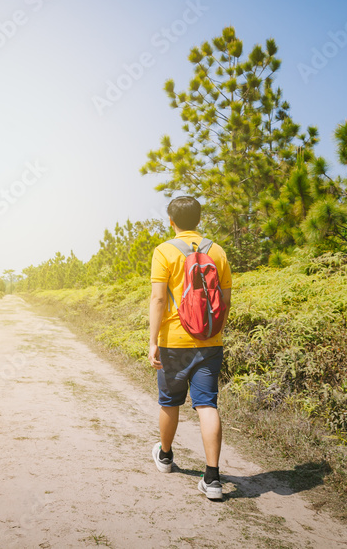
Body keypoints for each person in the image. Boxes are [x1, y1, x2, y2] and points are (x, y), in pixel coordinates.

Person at [148, 196, 232, 501]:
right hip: (210, 341)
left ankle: (166, 457)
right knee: (207, 405)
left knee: (170, 402)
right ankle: (212, 479)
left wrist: (153, 340)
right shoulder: (218, 251)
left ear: (171, 221)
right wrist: (211, 333)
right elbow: (225, 301)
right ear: (198, 220)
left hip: (173, 342)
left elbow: (158, 300)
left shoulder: (165, 251)